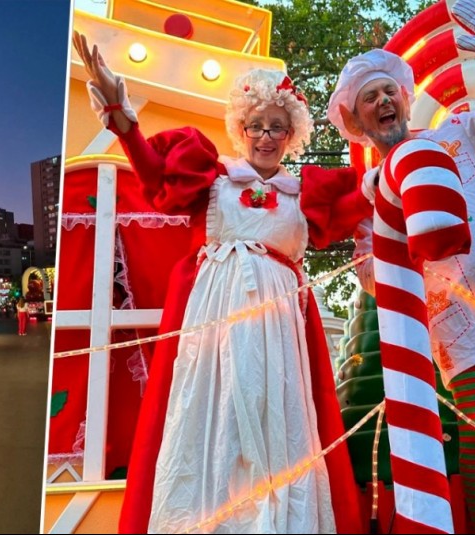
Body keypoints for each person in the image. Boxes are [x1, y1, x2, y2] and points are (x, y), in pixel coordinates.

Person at [73, 32, 368, 534]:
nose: (266, 136)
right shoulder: (212, 180)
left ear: (291, 134)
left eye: (277, 127)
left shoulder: (305, 195)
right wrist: (122, 115)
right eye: (257, 125)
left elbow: (371, 196)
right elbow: (151, 173)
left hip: (278, 329)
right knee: (211, 415)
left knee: (278, 418)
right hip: (213, 326)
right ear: (242, 128)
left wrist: (399, 148)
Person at [327, 1, 475, 531]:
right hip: (451, 320)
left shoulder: (459, 135)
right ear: (356, 121)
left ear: (404, 100)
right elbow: (374, 274)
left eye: (388, 93)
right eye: (368, 98)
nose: (382, 101)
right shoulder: (370, 192)